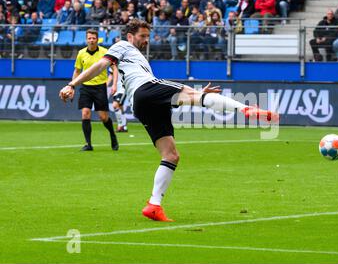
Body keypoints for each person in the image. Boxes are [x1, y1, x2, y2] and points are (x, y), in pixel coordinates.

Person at [59, 19, 278, 222]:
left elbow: (180, 93)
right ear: (130, 35)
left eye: (147, 36)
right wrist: (72, 84)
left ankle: (154, 205)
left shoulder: (137, 55)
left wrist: (198, 93)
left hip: (143, 104)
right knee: (196, 97)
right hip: (146, 89)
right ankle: (246, 109)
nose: (146, 40)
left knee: (171, 155)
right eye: (143, 36)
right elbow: (99, 66)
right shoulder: (122, 46)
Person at [71, 29, 119, 152]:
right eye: (89, 38)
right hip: (86, 87)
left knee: (103, 117)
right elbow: (77, 71)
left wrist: (114, 85)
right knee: (85, 113)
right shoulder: (81, 53)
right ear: (86, 39)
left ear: (97, 39)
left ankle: (113, 135)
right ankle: (88, 144)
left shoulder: (105, 52)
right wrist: (72, 86)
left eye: (93, 38)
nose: (91, 40)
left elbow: (114, 68)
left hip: (100, 87)